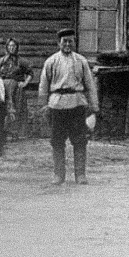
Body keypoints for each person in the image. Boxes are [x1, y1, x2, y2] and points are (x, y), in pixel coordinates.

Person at [38, 28, 99, 185]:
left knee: (80, 140)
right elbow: (43, 86)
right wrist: (43, 106)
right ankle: (59, 175)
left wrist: (94, 107)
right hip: (57, 105)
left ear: (74, 43)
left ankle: (80, 174)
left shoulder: (81, 61)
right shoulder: (51, 61)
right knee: (57, 141)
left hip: (77, 103)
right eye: (64, 41)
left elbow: (90, 85)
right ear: (59, 43)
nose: (67, 44)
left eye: (70, 41)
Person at [0, 38, 34, 140]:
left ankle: (15, 133)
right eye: (9, 46)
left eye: (13, 46)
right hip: (3, 88)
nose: (11, 48)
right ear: (7, 47)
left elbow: (30, 73)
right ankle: (3, 132)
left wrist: (25, 83)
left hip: (16, 90)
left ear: (17, 47)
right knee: (4, 109)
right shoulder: (2, 60)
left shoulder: (21, 61)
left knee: (16, 109)